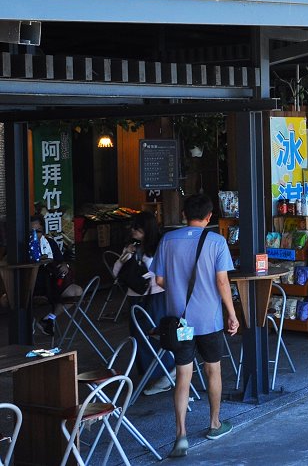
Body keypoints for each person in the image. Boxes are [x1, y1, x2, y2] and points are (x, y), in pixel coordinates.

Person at [151, 194, 239, 458]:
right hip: (209, 319)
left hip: (180, 322)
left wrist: (178, 289)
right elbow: (222, 282)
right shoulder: (216, 241)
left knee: (182, 376)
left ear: (184, 215)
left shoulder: (167, 240)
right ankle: (214, 424)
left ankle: (181, 435)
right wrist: (232, 315)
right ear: (210, 216)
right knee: (213, 370)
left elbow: (160, 280)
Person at [113, 210, 172, 395]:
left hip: (155, 295)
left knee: (154, 333)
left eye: (137, 229)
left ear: (147, 230)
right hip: (135, 296)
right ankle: (159, 373)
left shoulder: (160, 247)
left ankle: (168, 370)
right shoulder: (130, 247)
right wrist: (127, 256)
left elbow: (161, 273)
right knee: (139, 336)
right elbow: (116, 272)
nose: (133, 232)